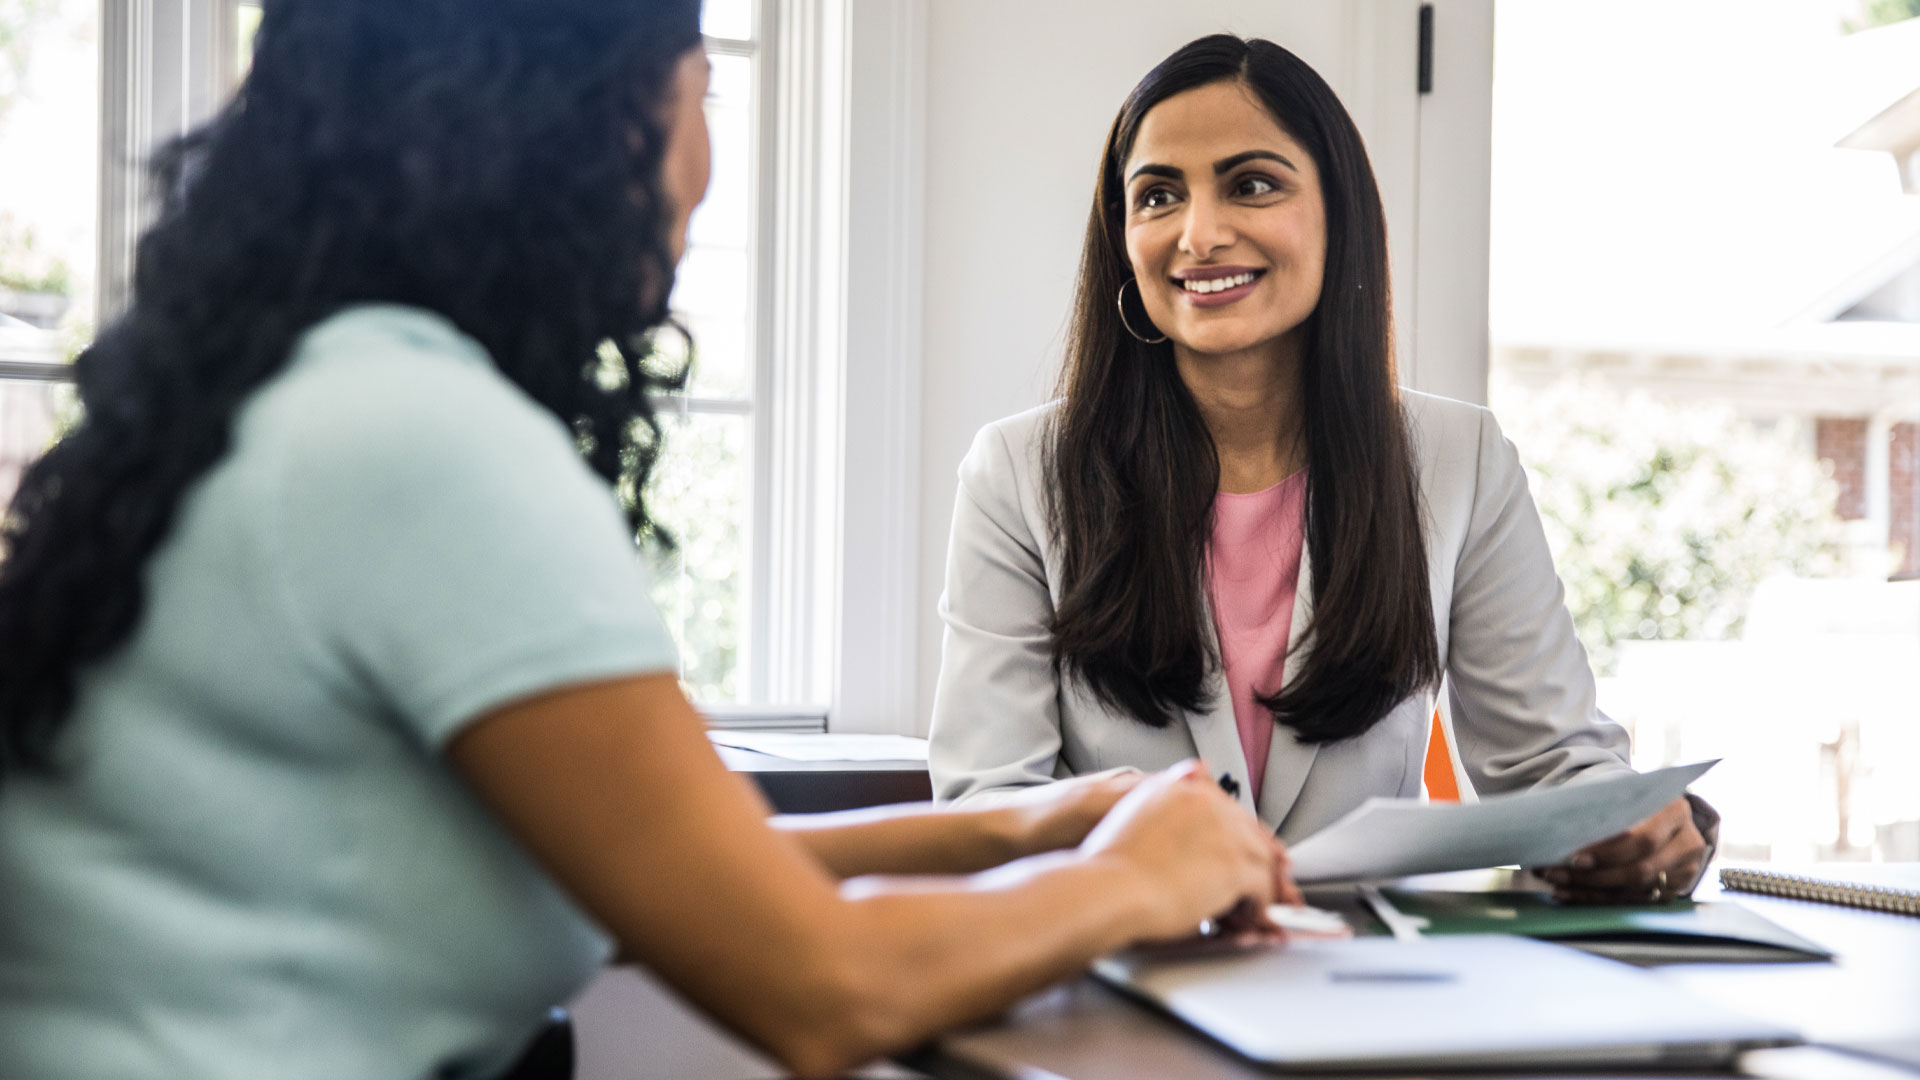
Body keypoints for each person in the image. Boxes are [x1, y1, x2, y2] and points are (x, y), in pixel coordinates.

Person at [0, 5, 1300, 1079]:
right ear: (581, 125)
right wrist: (1135, 878)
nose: (704, 160)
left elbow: (661, 867)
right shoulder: (419, 443)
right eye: (700, 95)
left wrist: (1023, 830)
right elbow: (819, 987)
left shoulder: (303, 393)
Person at [927, 34, 1716, 907]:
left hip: (1370, 989)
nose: (1200, 233)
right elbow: (985, 805)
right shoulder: (1018, 475)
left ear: (1338, 213)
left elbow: (1550, 763)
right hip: (1118, 977)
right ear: (1123, 238)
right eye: (1158, 196)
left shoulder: (1461, 460)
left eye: (1252, 184)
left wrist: (1624, 827)